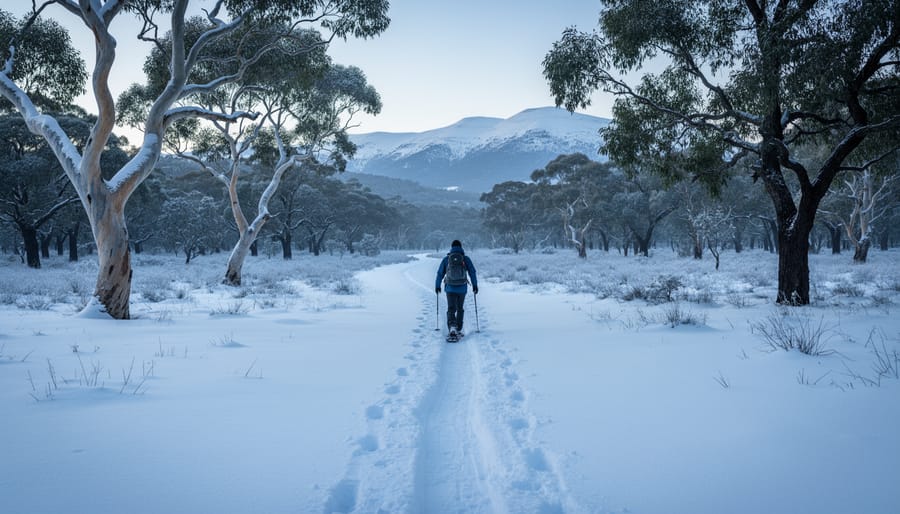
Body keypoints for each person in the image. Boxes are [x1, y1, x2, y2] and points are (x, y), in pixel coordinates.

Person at [435, 240, 478, 337]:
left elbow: (440, 273)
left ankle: (452, 327)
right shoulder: (465, 259)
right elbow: (472, 272)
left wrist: (437, 285)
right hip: (462, 288)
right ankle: (458, 328)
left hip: (450, 288)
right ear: (461, 247)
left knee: (451, 308)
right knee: (460, 308)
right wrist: (475, 285)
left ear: (451, 247)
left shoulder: (447, 259)